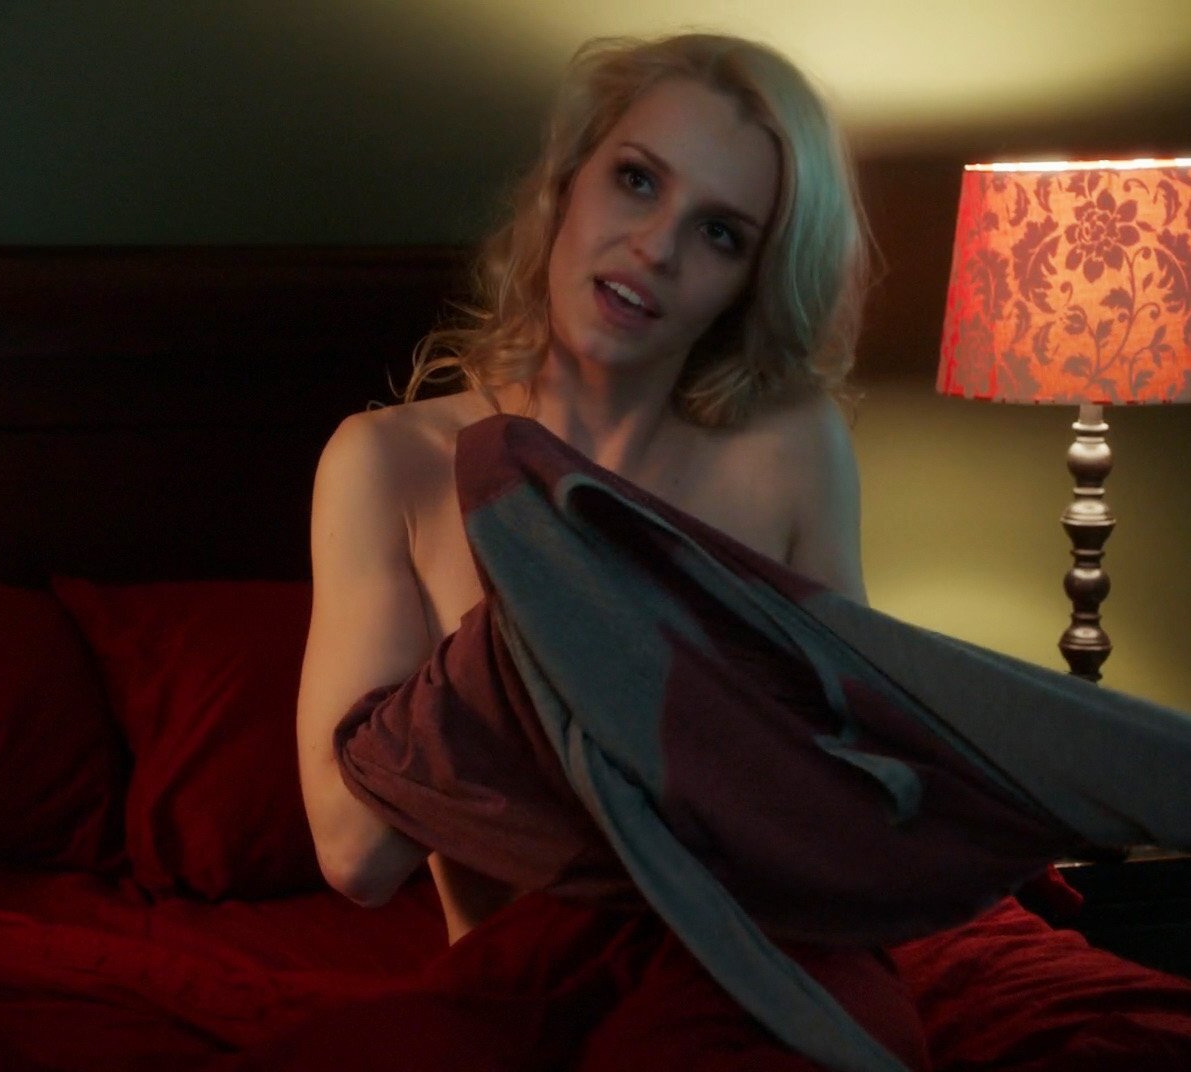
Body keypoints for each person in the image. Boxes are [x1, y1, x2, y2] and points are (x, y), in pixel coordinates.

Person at [296, 30, 876, 947]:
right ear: (567, 181)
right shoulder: (391, 464)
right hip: (535, 989)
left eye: (720, 233)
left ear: (748, 284)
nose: (656, 246)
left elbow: (855, 796)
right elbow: (355, 854)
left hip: (768, 976)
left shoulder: (790, 449)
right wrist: (554, 614)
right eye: (637, 180)